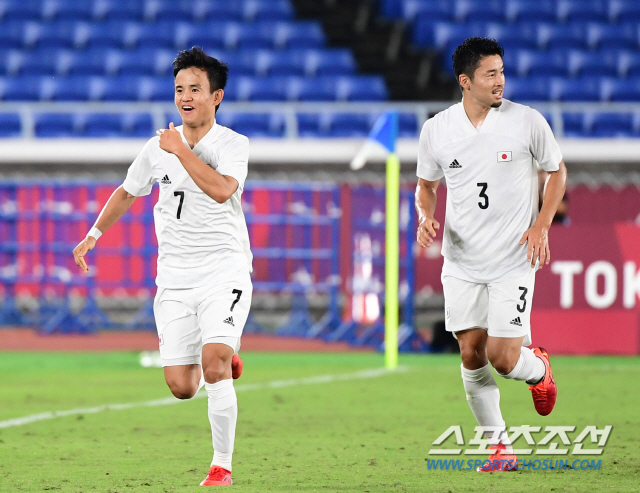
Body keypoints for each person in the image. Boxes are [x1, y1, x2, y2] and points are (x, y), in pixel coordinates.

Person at [72, 47, 253, 486]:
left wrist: (179, 150)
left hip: (223, 269)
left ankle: (221, 465)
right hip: (173, 278)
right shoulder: (157, 148)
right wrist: (94, 234)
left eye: (195, 89)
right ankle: (224, 358)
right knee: (181, 386)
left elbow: (222, 190)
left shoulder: (233, 145)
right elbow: (128, 191)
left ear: (217, 96)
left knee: (212, 363)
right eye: (179, 89)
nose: (185, 97)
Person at [415, 38, 567, 472]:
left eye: (502, 71)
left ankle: (537, 368)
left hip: (513, 259)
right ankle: (499, 448)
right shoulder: (437, 130)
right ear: (466, 81)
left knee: (503, 359)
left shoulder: (527, 121)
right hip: (461, 262)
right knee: (470, 354)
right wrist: (426, 216)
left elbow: (557, 172)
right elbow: (426, 187)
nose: (500, 81)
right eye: (490, 74)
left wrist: (541, 224)